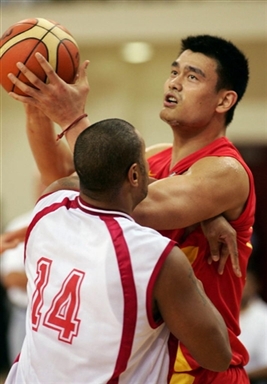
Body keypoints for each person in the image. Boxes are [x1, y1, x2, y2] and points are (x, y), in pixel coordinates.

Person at [7, 34, 256, 383]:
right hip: (145, 364)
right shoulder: (153, 157)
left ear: (224, 100)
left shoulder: (226, 170)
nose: (174, 82)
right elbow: (66, 176)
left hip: (203, 369)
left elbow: (137, 200)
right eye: (174, 71)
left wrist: (71, 117)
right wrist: (35, 106)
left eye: (192, 76)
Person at [4, 119, 231, 383]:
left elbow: (72, 177)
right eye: (145, 165)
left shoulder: (48, 206)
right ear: (134, 175)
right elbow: (218, 356)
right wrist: (206, 210)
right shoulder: (155, 256)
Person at [239, 264, 267, 384]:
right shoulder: (218, 310)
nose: (242, 286)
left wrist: (237, 375)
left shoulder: (263, 316)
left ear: (256, 285)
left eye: (246, 282)